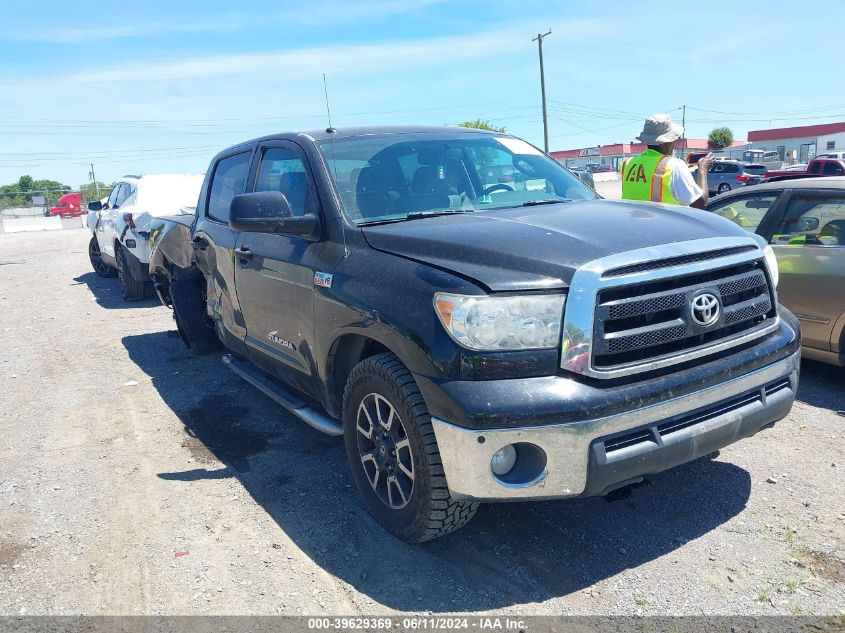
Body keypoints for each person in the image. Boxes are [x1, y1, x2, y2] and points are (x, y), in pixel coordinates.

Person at [621, 113, 712, 209]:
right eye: (673, 139)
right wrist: (702, 170)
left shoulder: (627, 164)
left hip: (631, 223)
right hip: (662, 224)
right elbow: (700, 204)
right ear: (665, 143)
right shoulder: (674, 166)